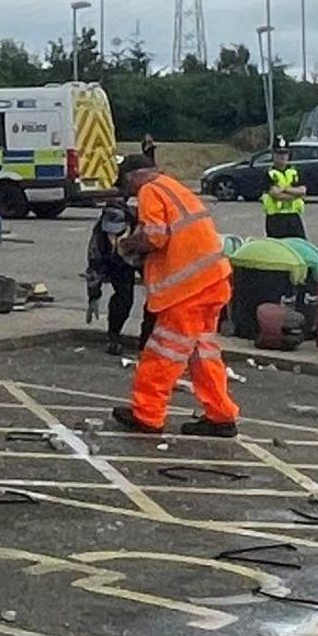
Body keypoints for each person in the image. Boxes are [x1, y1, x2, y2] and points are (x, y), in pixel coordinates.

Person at [115, 158, 240, 436]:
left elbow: (155, 237)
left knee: (162, 353)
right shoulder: (175, 187)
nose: (129, 192)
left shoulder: (149, 190)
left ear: (135, 176)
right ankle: (221, 416)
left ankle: (147, 415)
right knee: (202, 353)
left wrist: (127, 244)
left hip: (187, 290)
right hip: (214, 281)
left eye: (126, 184)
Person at [85, 189, 143, 348]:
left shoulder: (142, 227)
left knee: (157, 301)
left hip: (142, 256)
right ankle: (113, 336)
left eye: (118, 232)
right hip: (117, 263)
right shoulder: (100, 237)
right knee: (124, 298)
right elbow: (94, 265)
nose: (113, 238)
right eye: (110, 233)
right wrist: (93, 295)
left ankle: (147, 340)